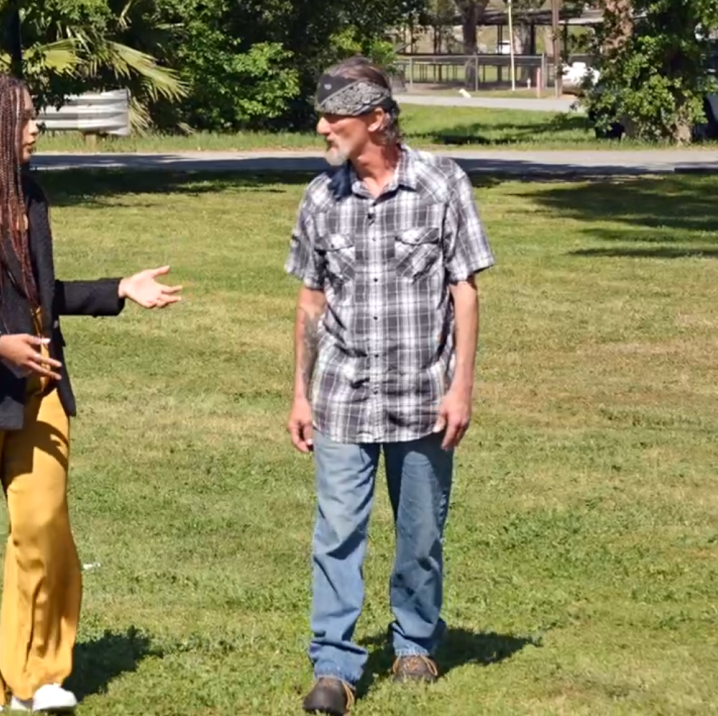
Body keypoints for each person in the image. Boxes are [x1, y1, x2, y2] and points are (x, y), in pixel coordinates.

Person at [0, 73, 181, 713]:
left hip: (39, 387)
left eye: (35, 117)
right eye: (25, 118)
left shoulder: (31, 197)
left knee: (43, 524)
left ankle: (36, 674)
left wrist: (117, 290)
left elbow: (39, 295)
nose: (35, 129)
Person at [284, 57, 495, 715]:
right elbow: (311, 302)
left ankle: (415, 643)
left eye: (334, 117)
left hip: (423, 396)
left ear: (376, 119)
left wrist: (461, 387)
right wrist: (300, 393)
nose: (323, 129)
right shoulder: (321, 198)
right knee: (336, 534)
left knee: (420, 534)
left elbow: (464, 290)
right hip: (342, 396)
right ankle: (333, 666)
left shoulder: (441, 183)